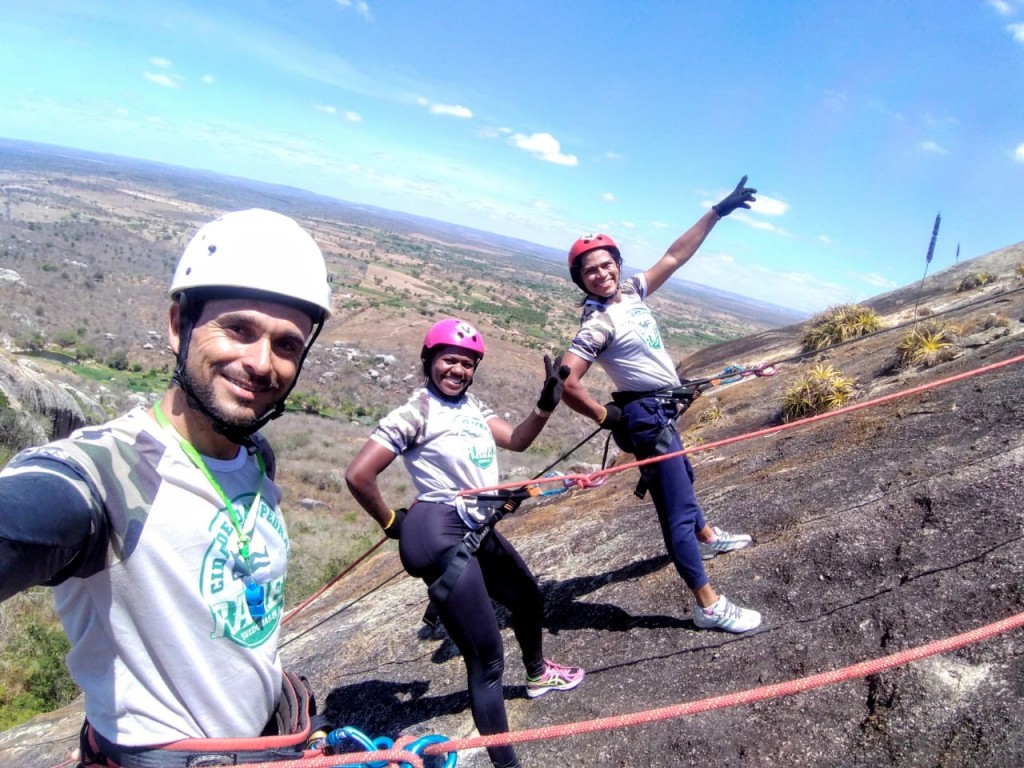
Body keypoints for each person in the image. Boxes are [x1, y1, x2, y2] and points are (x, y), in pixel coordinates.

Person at [0, 209, 333, 765]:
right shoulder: (109, 472)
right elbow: (31, 508)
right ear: (179, 325)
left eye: (286, 345)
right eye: (239, 329)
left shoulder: (256, 456)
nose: (260, 363)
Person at [345, 318, 584, 768]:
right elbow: (358, 475)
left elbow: (516, 440)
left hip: (474, 525)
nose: (457, 370)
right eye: (449, 360)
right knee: (488, 660)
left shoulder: (473, 407)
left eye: (467, 363)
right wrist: (390, 520)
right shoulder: (415, 413)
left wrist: (545, 404)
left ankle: (537, 675)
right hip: (438, 530)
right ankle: (505, 764)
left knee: (528, 598)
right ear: (429, 360)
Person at [559, 177, 763, 634]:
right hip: (647, 417)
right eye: (590, 270)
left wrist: (717, 212)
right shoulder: (597, 325)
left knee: (682, 479)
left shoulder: (630, 292)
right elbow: (567, 383)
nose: (602, 273)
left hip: (661, 411)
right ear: (580, 279)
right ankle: (707, 604)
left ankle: (707, 538)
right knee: (676, 508)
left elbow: (674, 255)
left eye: (607, 264)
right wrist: (606, 416)